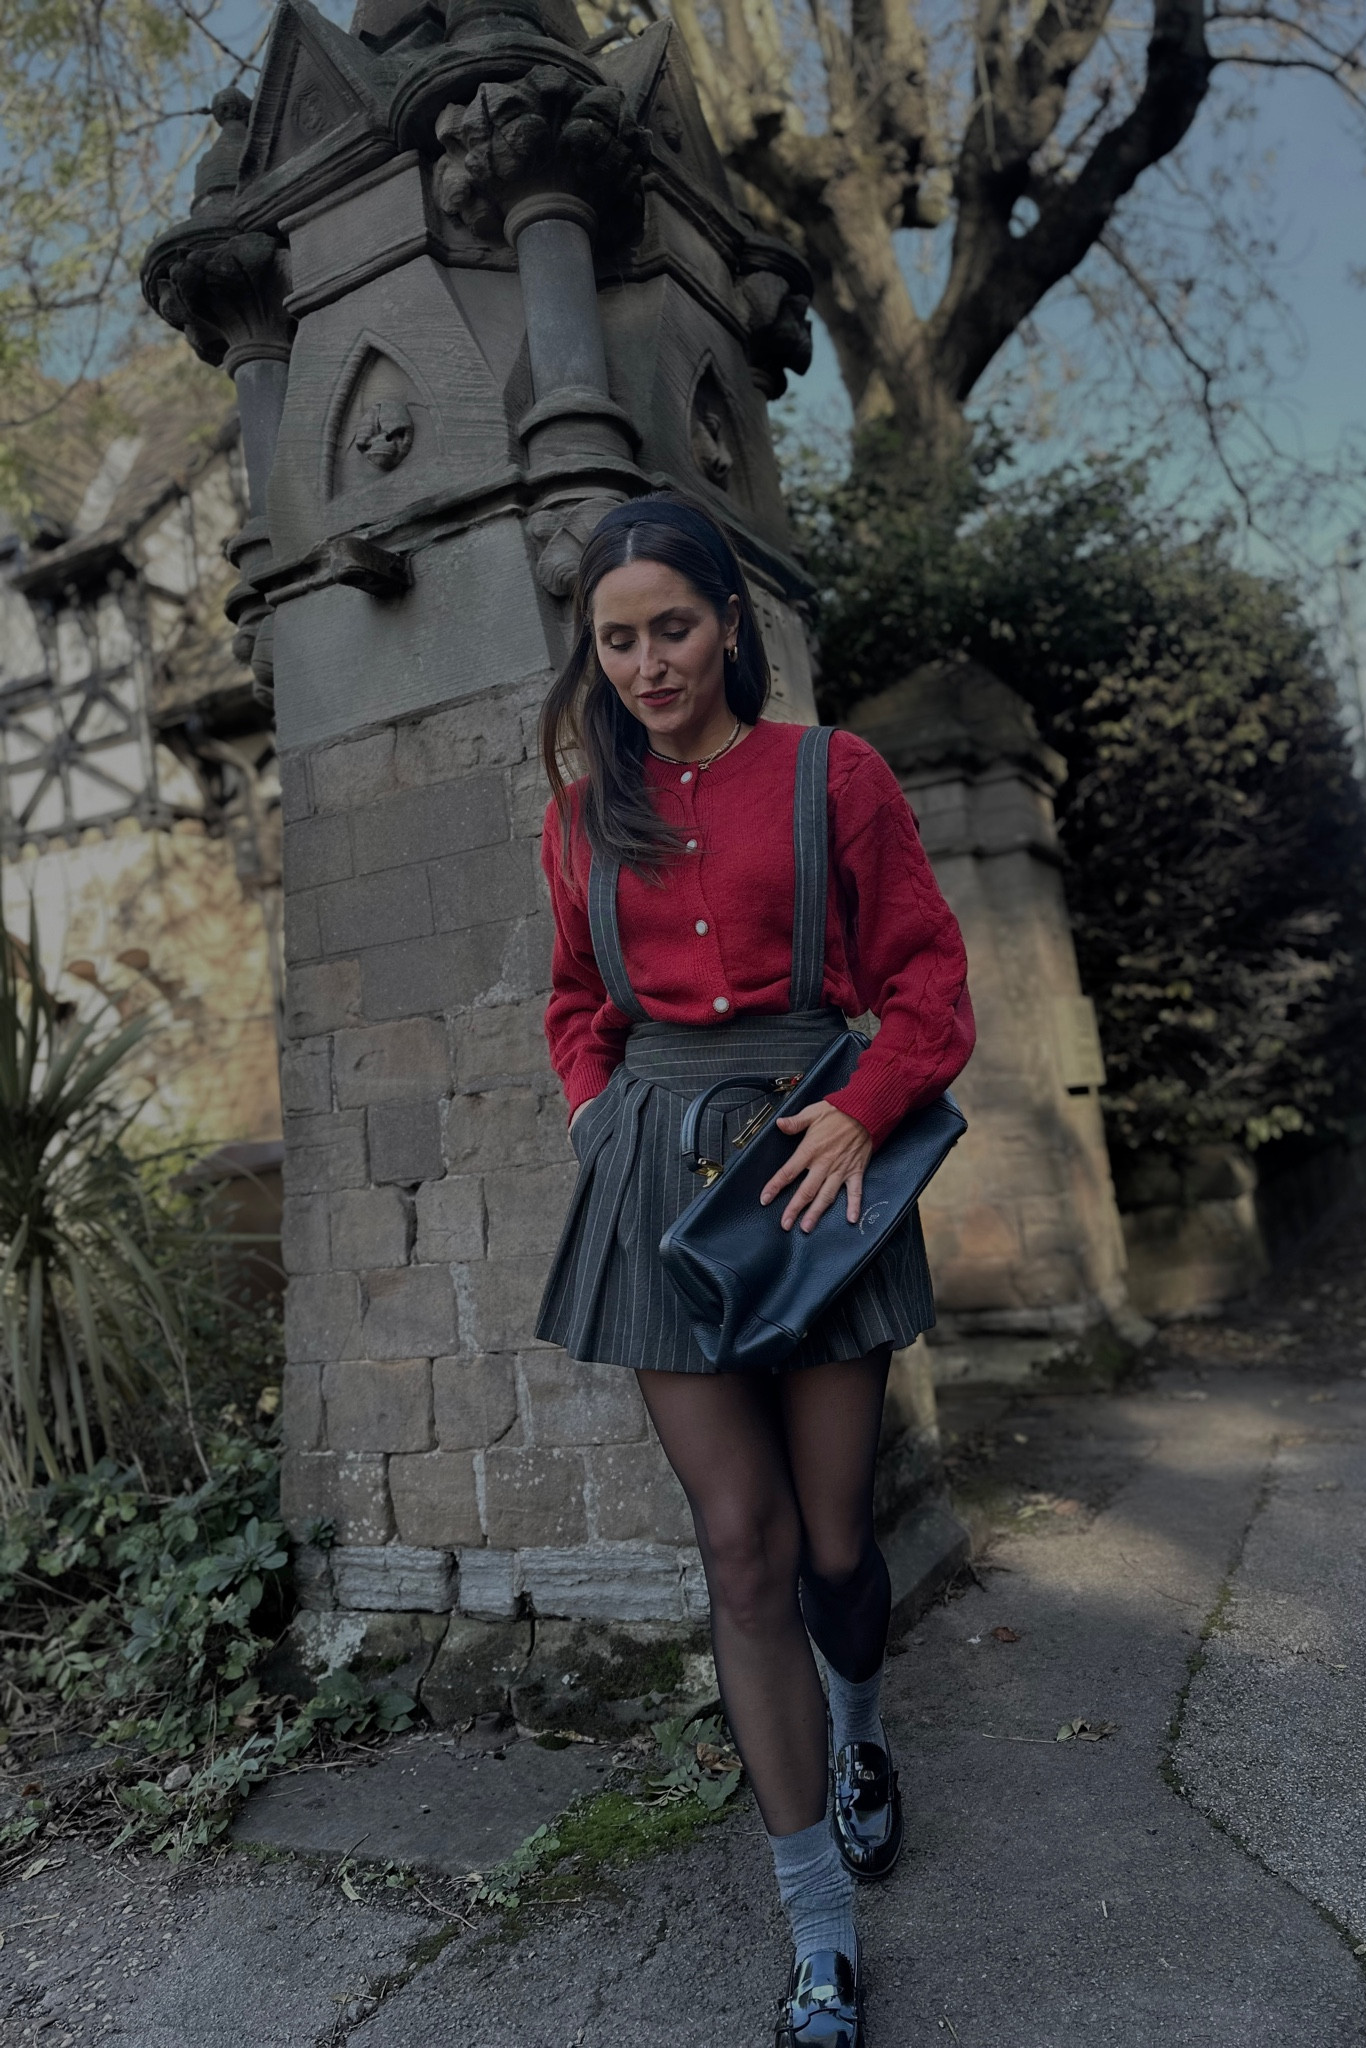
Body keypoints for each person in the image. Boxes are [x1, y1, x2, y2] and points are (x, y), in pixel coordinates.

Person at [535, 494, 974, 2047]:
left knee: (838, 1546)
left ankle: (861, 1730)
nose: (648, 662)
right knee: (742, 1551)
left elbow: (929, 984)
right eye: (618, 638)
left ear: (730, 622)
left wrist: (862, 1110)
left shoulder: (834, 777)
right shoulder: (585, 816)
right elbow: (577, 998)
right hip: (658, 1177)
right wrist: (600, 1119)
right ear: (593, 655)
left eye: (672, 626)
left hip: (816, 1167)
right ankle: (821, 1941)